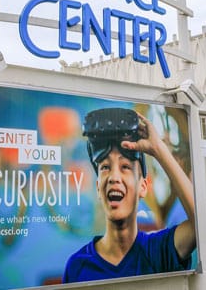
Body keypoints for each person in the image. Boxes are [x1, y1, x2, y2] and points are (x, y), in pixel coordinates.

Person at [62, 107, 196, 283]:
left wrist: (158, 148)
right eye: (105, 167)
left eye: (125, 167)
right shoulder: (77, 267)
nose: (114, 177)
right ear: (98, 187)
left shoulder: (160, 251)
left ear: (143, 187)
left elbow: (199, 225)